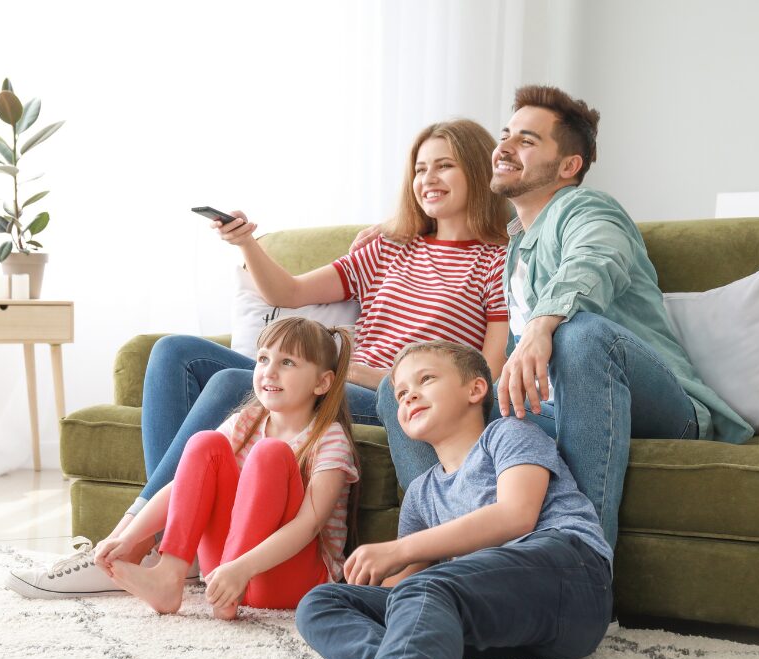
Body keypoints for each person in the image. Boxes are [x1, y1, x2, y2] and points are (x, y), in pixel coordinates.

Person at [103, 118, 511, 569]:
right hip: (338, 377)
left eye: (444, 166)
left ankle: (134, 543)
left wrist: (371, 375)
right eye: (419, 169)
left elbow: (485, 376)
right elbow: (289, 295)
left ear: (476, 170)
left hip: (385, 393)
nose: (428, 179)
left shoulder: (497, 262)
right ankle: (154, 534)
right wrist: (246, 243)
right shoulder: (389, 248)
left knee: (229, 384)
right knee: (174, 353)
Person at [375, 86, 753, 550]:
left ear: (569, 166)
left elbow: (596, 260)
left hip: (655, 405)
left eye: (528, 141)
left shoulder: (588, 209)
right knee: (404, 394)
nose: (506, 148)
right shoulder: (516, 247)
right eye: (506, 135)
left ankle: (583, 566)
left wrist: (541, 325)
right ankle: (447, 559)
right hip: (552, 411)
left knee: (581, 335)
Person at [295, 340, 612, 659]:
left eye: (425, 379)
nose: (409, 396)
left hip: (571, 582)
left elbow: (516, 515)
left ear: (476, 390)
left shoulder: (507, 435)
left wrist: (398, 550)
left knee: (432, 584)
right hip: (498, 627)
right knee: (321, 600)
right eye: (400, 393)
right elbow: (403, 595)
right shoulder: (420, 492)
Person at [83, 316, 360, 618]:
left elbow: (309, 526)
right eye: (263, 359)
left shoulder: (329, 437)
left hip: (288, 579)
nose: (269, 371)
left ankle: (231, 583)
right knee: (205, 443)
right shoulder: (247, 420)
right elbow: (184, 486)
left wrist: (241, 568)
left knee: (270, 454)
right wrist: (129, 537)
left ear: (322, 382)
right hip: (224, 574)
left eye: (288, 363)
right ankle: (169, 576)